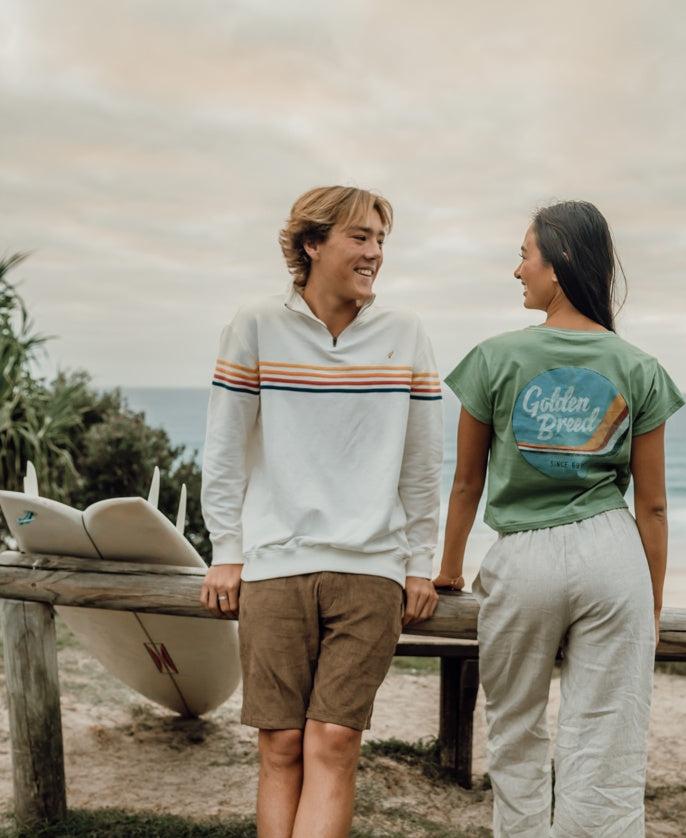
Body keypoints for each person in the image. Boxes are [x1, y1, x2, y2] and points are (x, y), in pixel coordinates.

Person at [436, 201, 684, 837]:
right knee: (605, 737)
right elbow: (651, 505)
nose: (517, 270)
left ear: (561, 260)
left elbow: (467, 482)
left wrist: (448, 570)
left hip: (525, 557)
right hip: (612, 556)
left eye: (525, 254)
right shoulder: (640, 367)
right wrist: (651, 602)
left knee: (515, 729)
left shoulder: (492, 359)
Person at [200, 185, 442, 838]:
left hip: (372, 568)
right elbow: (223, 449)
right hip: (275, 563)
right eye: (360, 238)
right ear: (313, 243)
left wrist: (422, 562)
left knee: (334, 740)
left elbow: (422, 463)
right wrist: (226, 550)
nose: (375, 254)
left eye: (381, 241)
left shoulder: (406, 333)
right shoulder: (255, 324)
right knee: (279, 747)